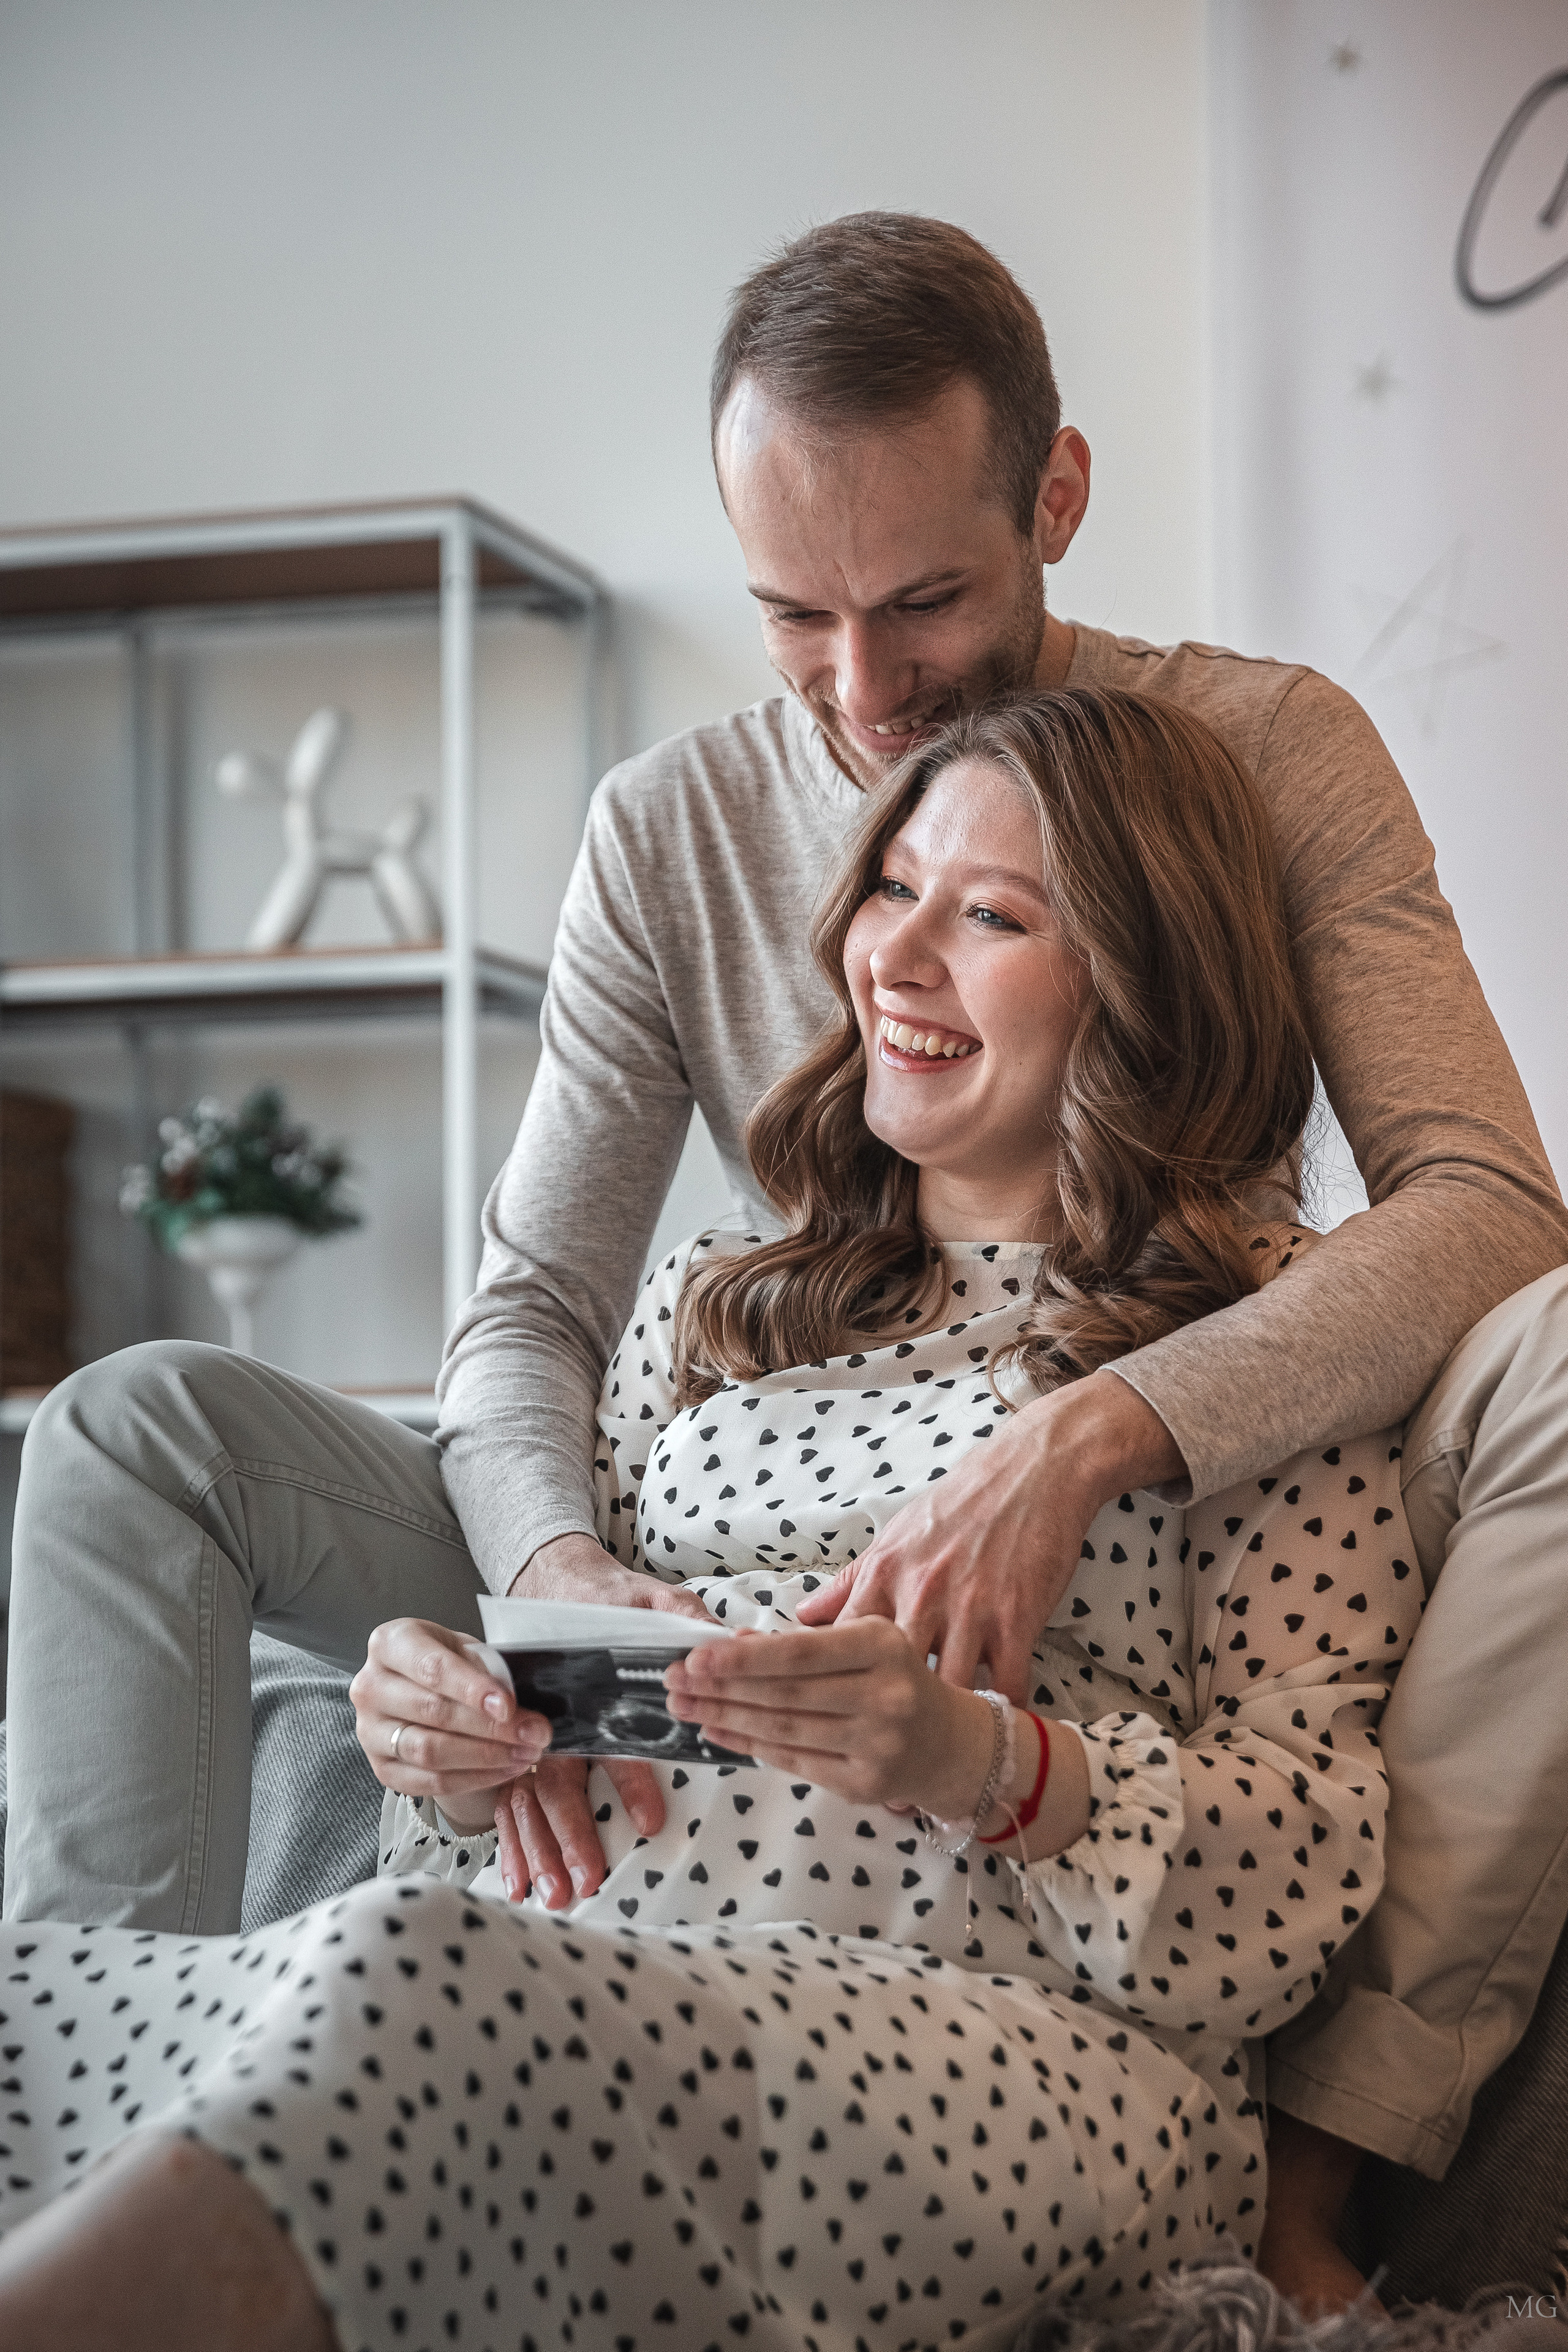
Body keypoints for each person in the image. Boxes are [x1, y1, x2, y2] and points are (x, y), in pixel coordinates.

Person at [6, 213, 1568, 2311]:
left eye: (924, 601)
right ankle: (137, 2097)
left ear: (1056, 500)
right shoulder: (673, 893)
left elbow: (1485, 1201)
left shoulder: (1257, 760)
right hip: (684, 1573)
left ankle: (1323, 2193)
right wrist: (537, 1602)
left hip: (1086, 1533)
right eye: (791, 618)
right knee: (133, 1430)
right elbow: (533, 1315)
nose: (860, 692)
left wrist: (1098, 1442)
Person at [0, 690, 1423, 2351]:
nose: (896, 958)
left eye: (992, 915)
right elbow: (533, 1726)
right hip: (570, 1959)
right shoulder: (717, 1306)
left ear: (1146, 974)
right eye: (894, 889)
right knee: (39, 2003)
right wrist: (439, 1726)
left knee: (412, 1997)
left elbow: (1310, 1859)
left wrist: (979, 1760)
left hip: (1009, 2041)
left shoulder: (1266, 1345)